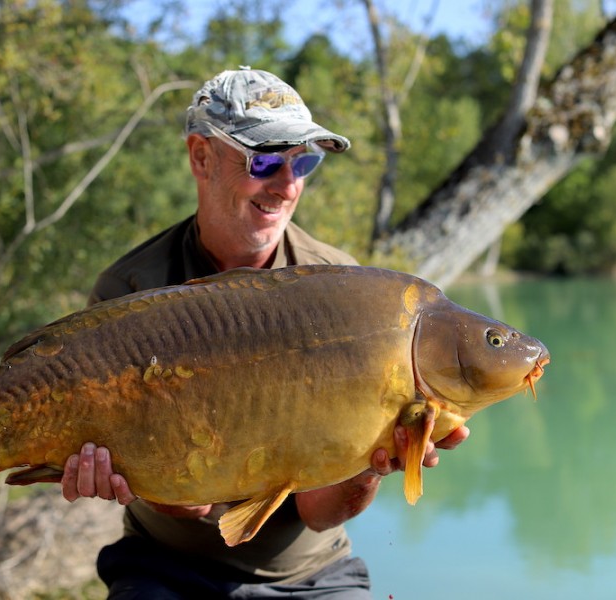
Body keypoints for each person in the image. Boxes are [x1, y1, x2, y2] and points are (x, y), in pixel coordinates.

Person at [59, 67, 469, 599]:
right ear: (200, 157)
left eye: (305, 162)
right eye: (266, 160)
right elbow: (195, 505)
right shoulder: (133, 289)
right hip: (164, 567)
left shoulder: (347, 294)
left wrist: (374, 462)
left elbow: (319, 514)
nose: (288, 185)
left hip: (310, 576)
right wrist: (144, 478)